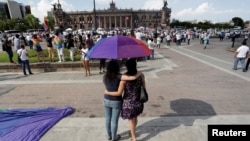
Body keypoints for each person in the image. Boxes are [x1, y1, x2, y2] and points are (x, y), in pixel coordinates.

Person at [105, 58, 146, 141]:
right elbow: (144, 87)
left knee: (128, 120)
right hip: (138, 101)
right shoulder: (140, 76)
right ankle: (132, 132)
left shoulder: (122, 78)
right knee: (135, 118)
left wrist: (107, 92)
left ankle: (133, 138)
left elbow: (119, 91)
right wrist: (139, 74)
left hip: (127, 102)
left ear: (127, 67)